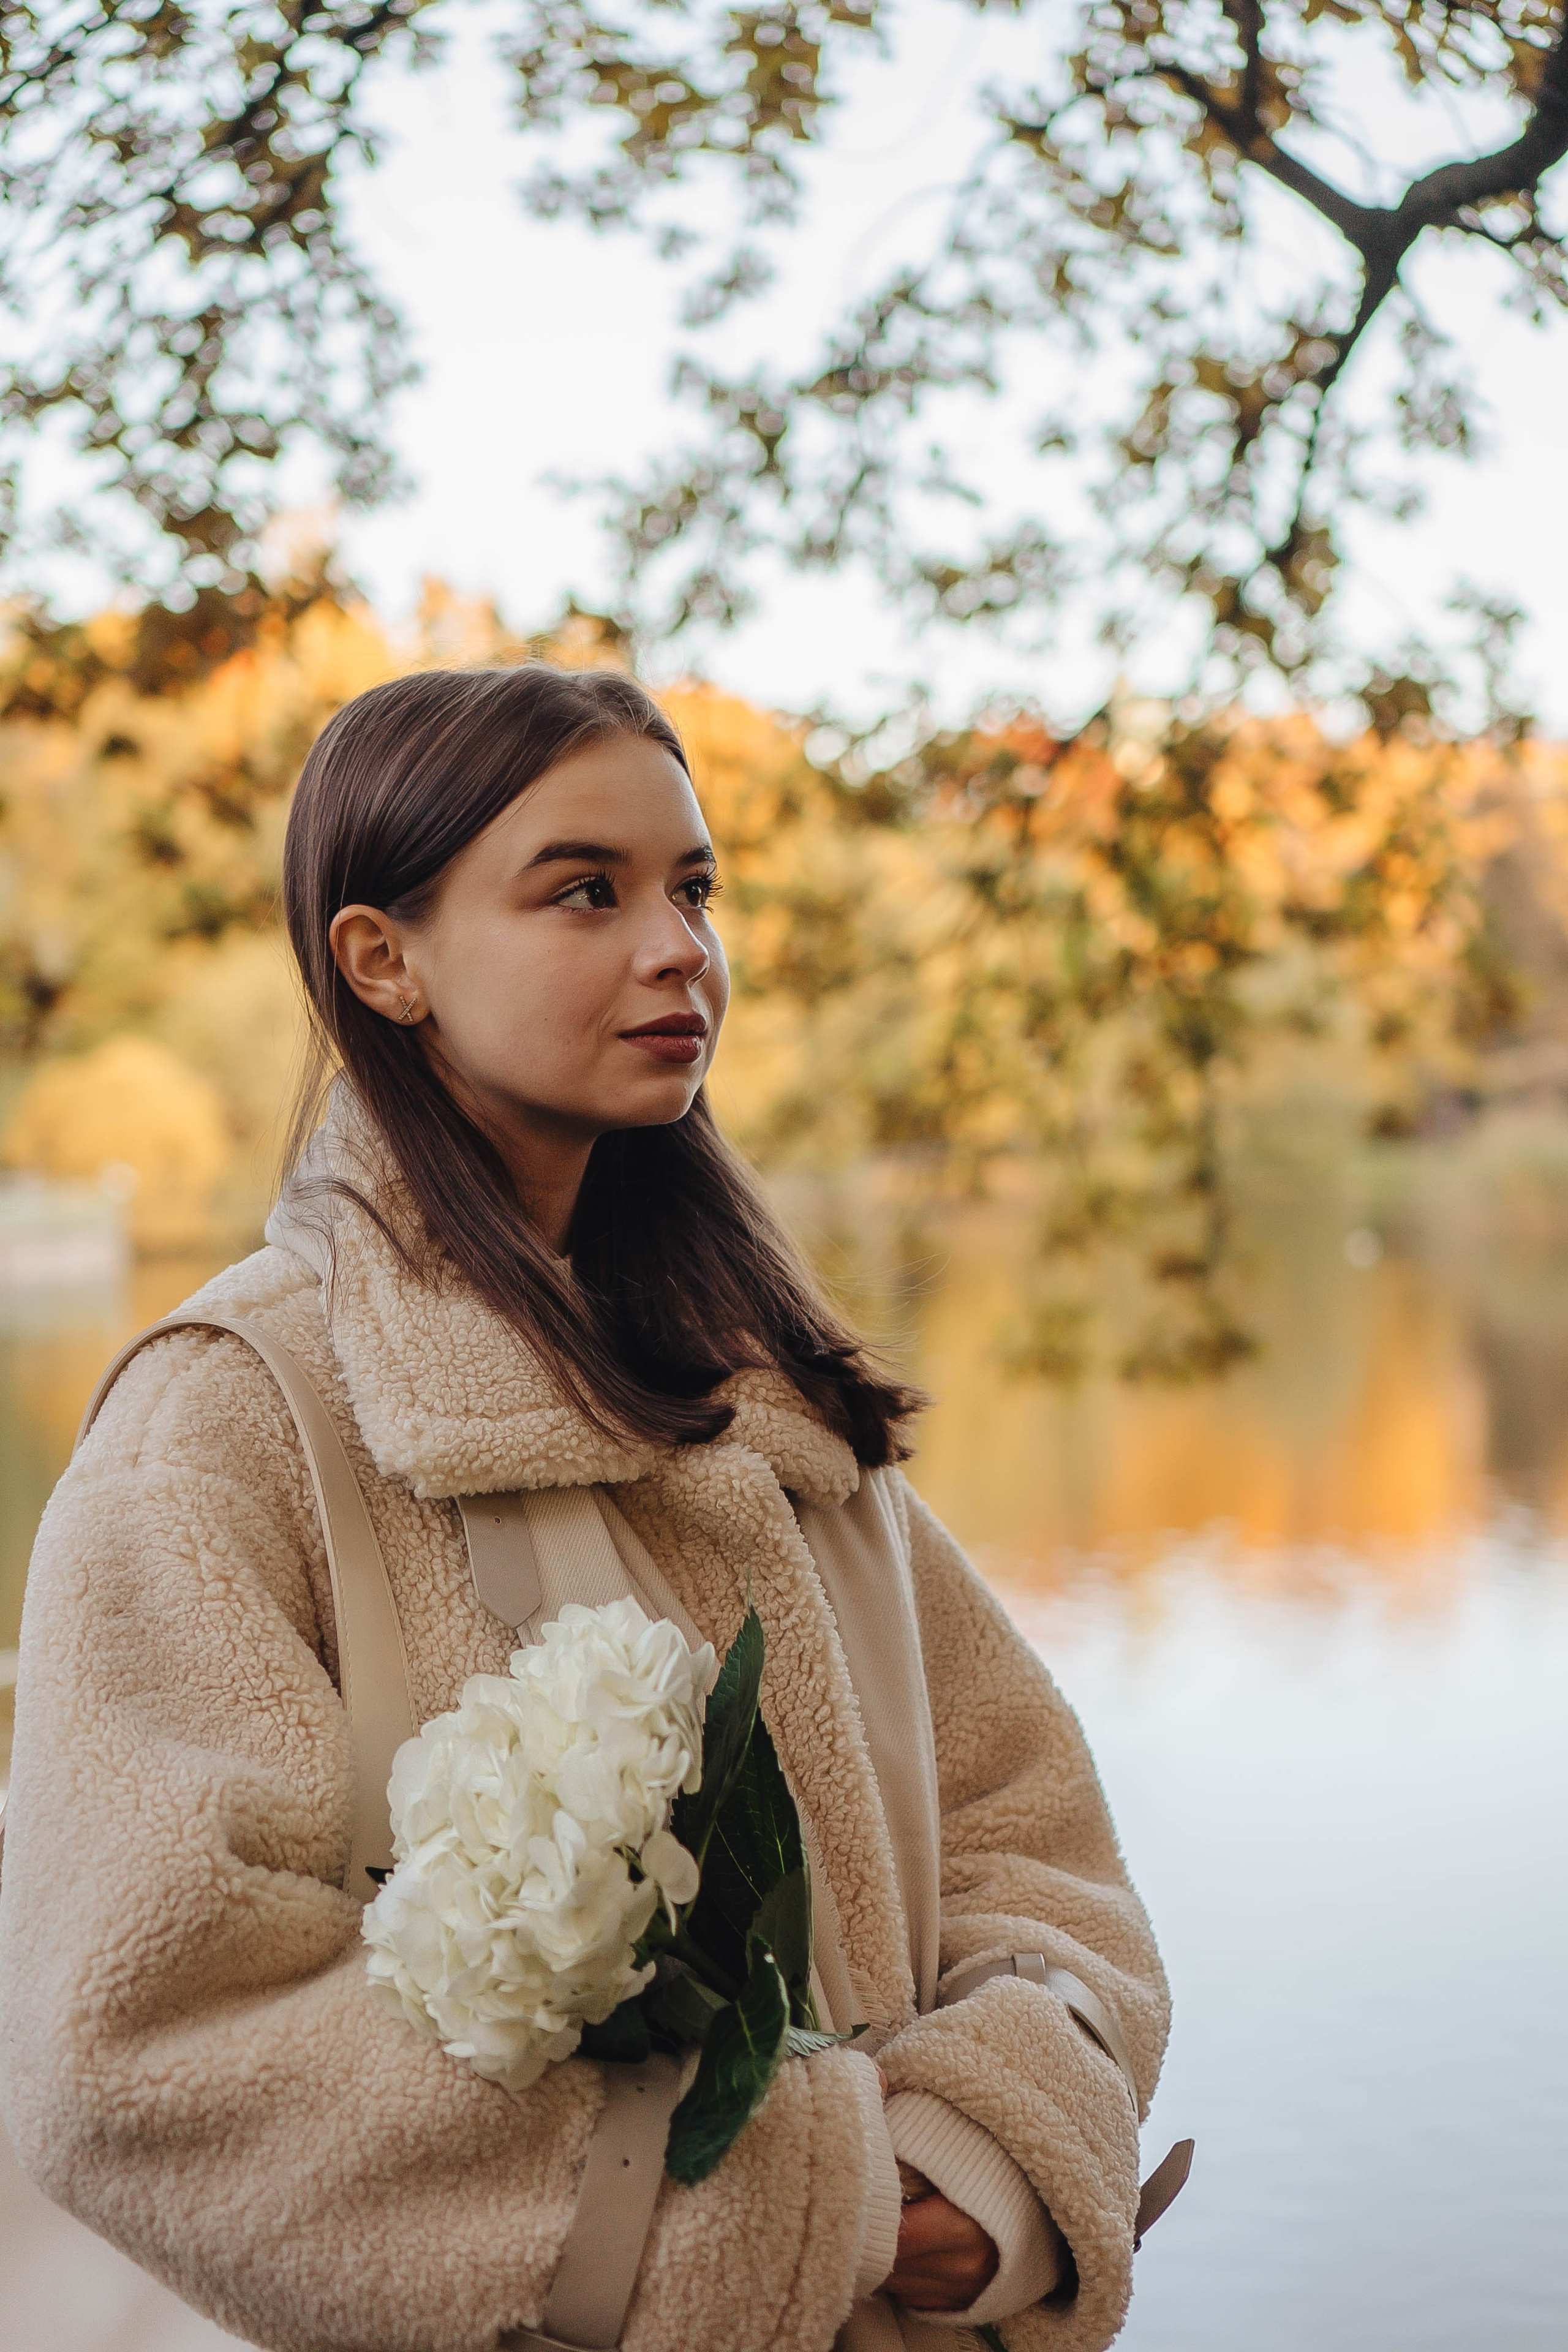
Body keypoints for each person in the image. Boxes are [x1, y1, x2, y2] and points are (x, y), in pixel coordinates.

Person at [0, 663, 1170, 2352]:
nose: (680, 947)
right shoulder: (227, 1421)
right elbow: (142, 2045)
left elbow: (1030, 1839)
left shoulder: (769, 1404)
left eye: (694, 888)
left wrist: (975, 2168)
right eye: (585, 892)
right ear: (380, 959)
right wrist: (800, 2209)